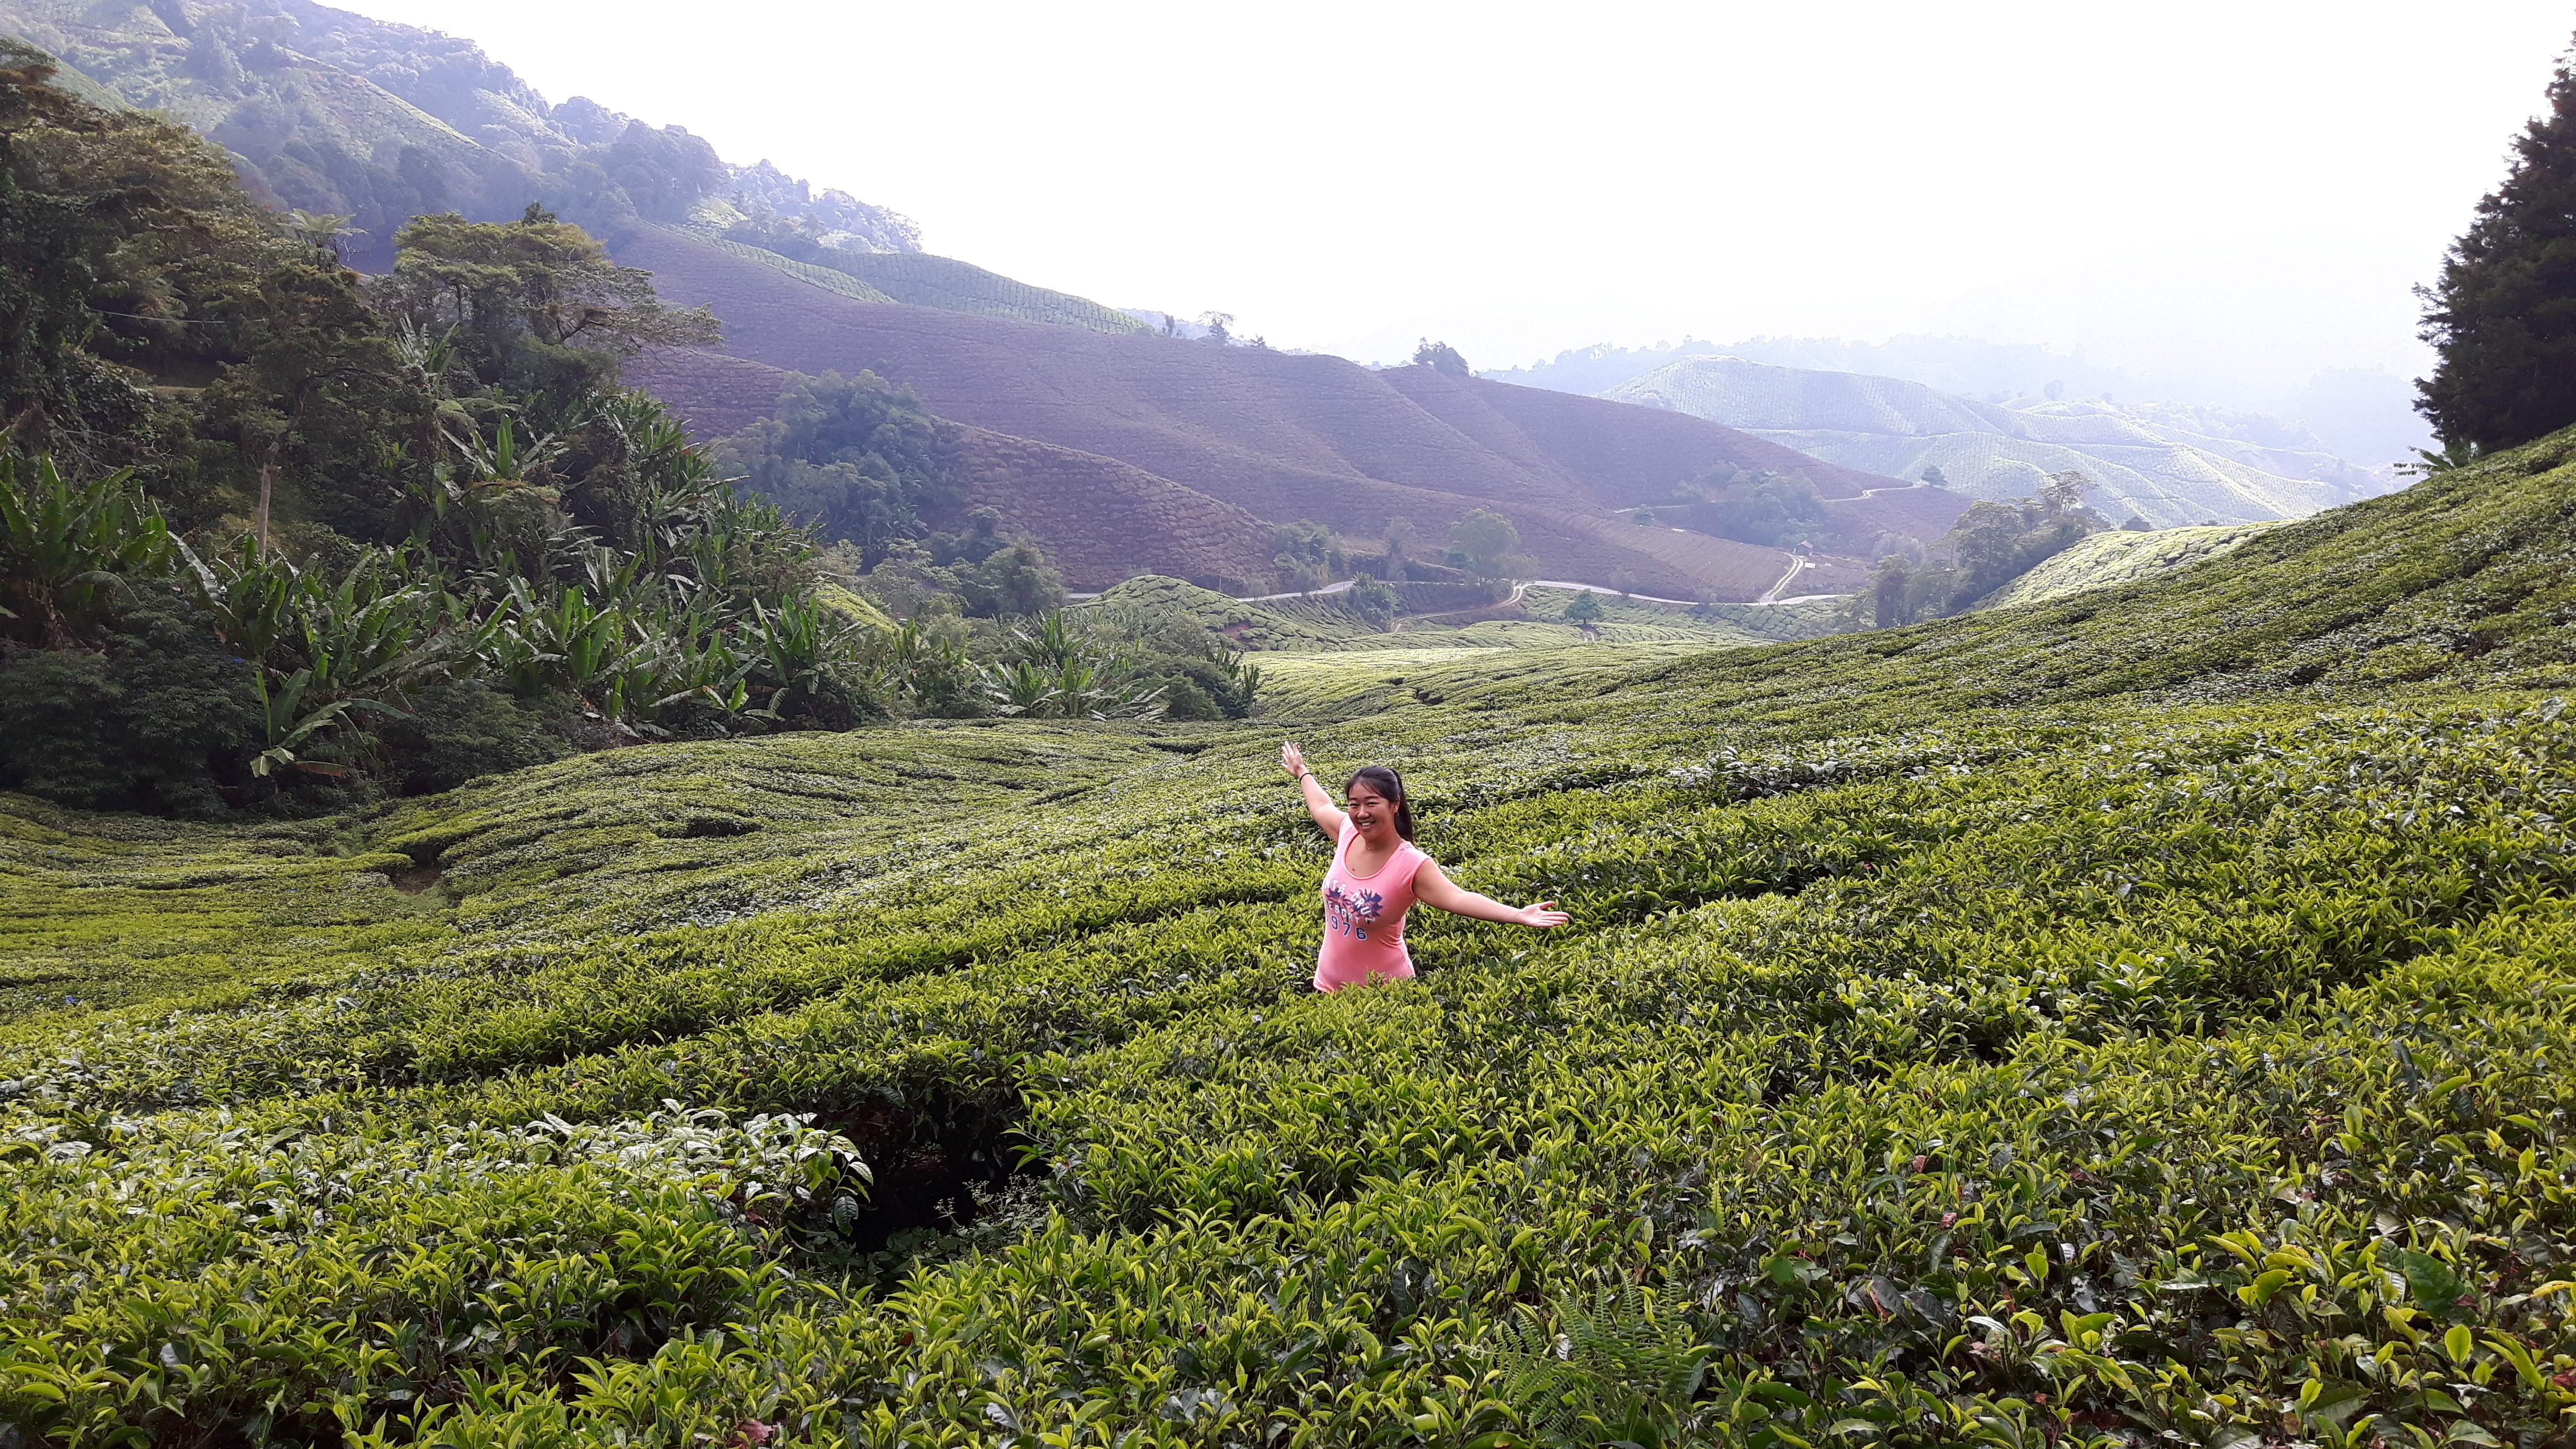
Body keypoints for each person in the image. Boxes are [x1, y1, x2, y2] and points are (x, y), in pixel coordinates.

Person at [1280, 742, 1570, 992]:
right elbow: (1321, 806)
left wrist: (1518, 914)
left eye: (1371, 803)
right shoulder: (1347, 832)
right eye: (1354, 804)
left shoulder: (1410, 864)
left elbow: (1457, 898)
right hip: (1326, 984)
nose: (1361, 813)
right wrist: (1302, 772)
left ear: (1394, 805)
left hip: (1384, 995)